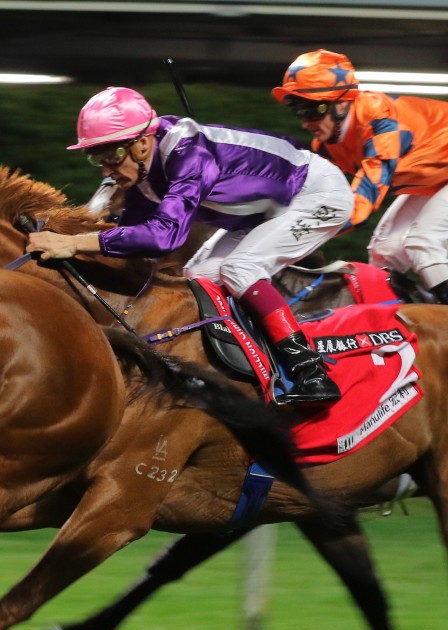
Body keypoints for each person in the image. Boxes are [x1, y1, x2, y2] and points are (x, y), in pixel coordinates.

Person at [25, 86, 353, 406]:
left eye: (112, 155)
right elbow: (134, 239)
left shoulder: (189, 156)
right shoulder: (143, 171)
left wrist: (74, 243)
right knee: (199, 276)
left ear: (142, 143)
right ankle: (250, 366)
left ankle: (311, 371)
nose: (107, 169)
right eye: (96, 158)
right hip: (266, 209)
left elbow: (164, 236)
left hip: (317, 193)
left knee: (241, 269)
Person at [273, 49, 448, 304]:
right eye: (299, 112)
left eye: (314, 110)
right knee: (384, 250)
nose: (306, 122)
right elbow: (304, 195)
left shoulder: (382, 125)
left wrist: (289, 232)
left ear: (342, 103)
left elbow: (359, 206)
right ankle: (399, 324)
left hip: (437, 177)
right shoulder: (325, 143)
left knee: (424, 241)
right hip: (437, 179)